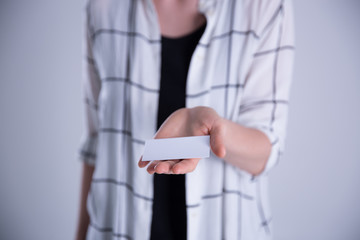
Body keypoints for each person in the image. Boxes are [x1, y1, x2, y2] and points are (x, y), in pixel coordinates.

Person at [75, 0, 295, 239]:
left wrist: (214, 129)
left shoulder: (264, 6)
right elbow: (96, 144)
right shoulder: (102, 7)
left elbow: (267, 149)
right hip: (117, 228)